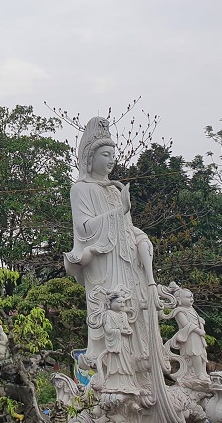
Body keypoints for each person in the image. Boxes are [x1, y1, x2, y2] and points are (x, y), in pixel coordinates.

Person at [65, 117, 156, 370]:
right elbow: (83, 227)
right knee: (110, 315)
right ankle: (110, 371)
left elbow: (126, 226)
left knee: (134, 314)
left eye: (113, 154)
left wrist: (141, 238)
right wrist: (118, 214)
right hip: (103, 262)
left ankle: (139, 367)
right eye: (105, 154)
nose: (111, 160)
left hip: (126, 260)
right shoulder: (81, 189)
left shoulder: (115, 190)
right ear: (90, 159)